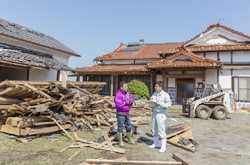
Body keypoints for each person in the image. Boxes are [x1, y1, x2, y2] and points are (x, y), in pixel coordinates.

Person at [148, 81, 171, 153]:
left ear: (161, 87)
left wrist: (160, 104)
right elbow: (152, 103)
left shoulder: (165, 95)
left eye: (156, 86)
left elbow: (169, 104)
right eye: (155, 86)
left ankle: (163, 147)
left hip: (161, 113)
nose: (155, 87)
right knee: (154, 128)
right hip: (154, 113)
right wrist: (150, 101)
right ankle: (155, 144)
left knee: (161, 130)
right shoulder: (154, 94)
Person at [114, 81, 137, 148]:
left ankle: (130, 140)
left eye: (127, 86)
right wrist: (125, 103)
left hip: (127, 113)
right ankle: (120, 141)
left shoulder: (127, 94)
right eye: (125, 86)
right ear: (121, 87)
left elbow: (131, 100)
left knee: (128, 126)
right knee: (120, 126)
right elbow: (118, 104)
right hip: (120, 113)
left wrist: (131, 101)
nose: (126, 88)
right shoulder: (118, 94)